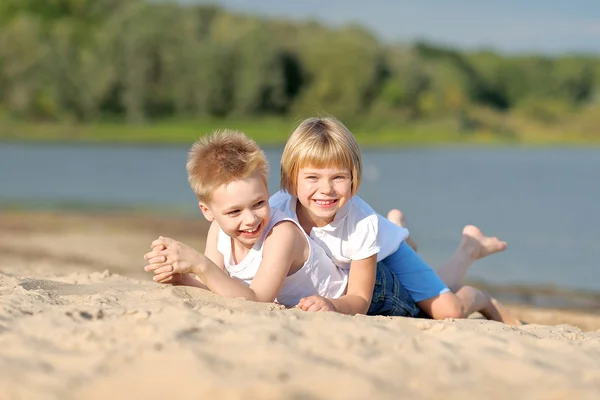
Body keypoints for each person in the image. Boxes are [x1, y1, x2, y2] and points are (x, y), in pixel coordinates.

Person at [270, 116, 521, 324]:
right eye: (312, 178)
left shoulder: (362, 223)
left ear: (354, 177)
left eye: (338, 177)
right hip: (364, 248)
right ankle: (412, 231)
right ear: (291, 178)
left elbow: (359, 298)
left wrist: (332, 305)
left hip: (387, 248)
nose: (326, 189)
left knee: (447, 311)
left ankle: (479, 292)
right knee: (421, 292)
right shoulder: (278, 208)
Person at [143, 129, 419, 316]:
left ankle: (407, 242)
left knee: (439, 306)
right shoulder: (218, 231)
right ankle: (397, 233)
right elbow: (222, 287)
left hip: (368, 292)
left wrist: (199, 265)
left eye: (259, 204)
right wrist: (185, 278)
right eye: (234, 212)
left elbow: (257, 298)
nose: (250, 219)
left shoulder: (282, 234)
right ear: (208, 212)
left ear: (268, 194)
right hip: (335, 292)